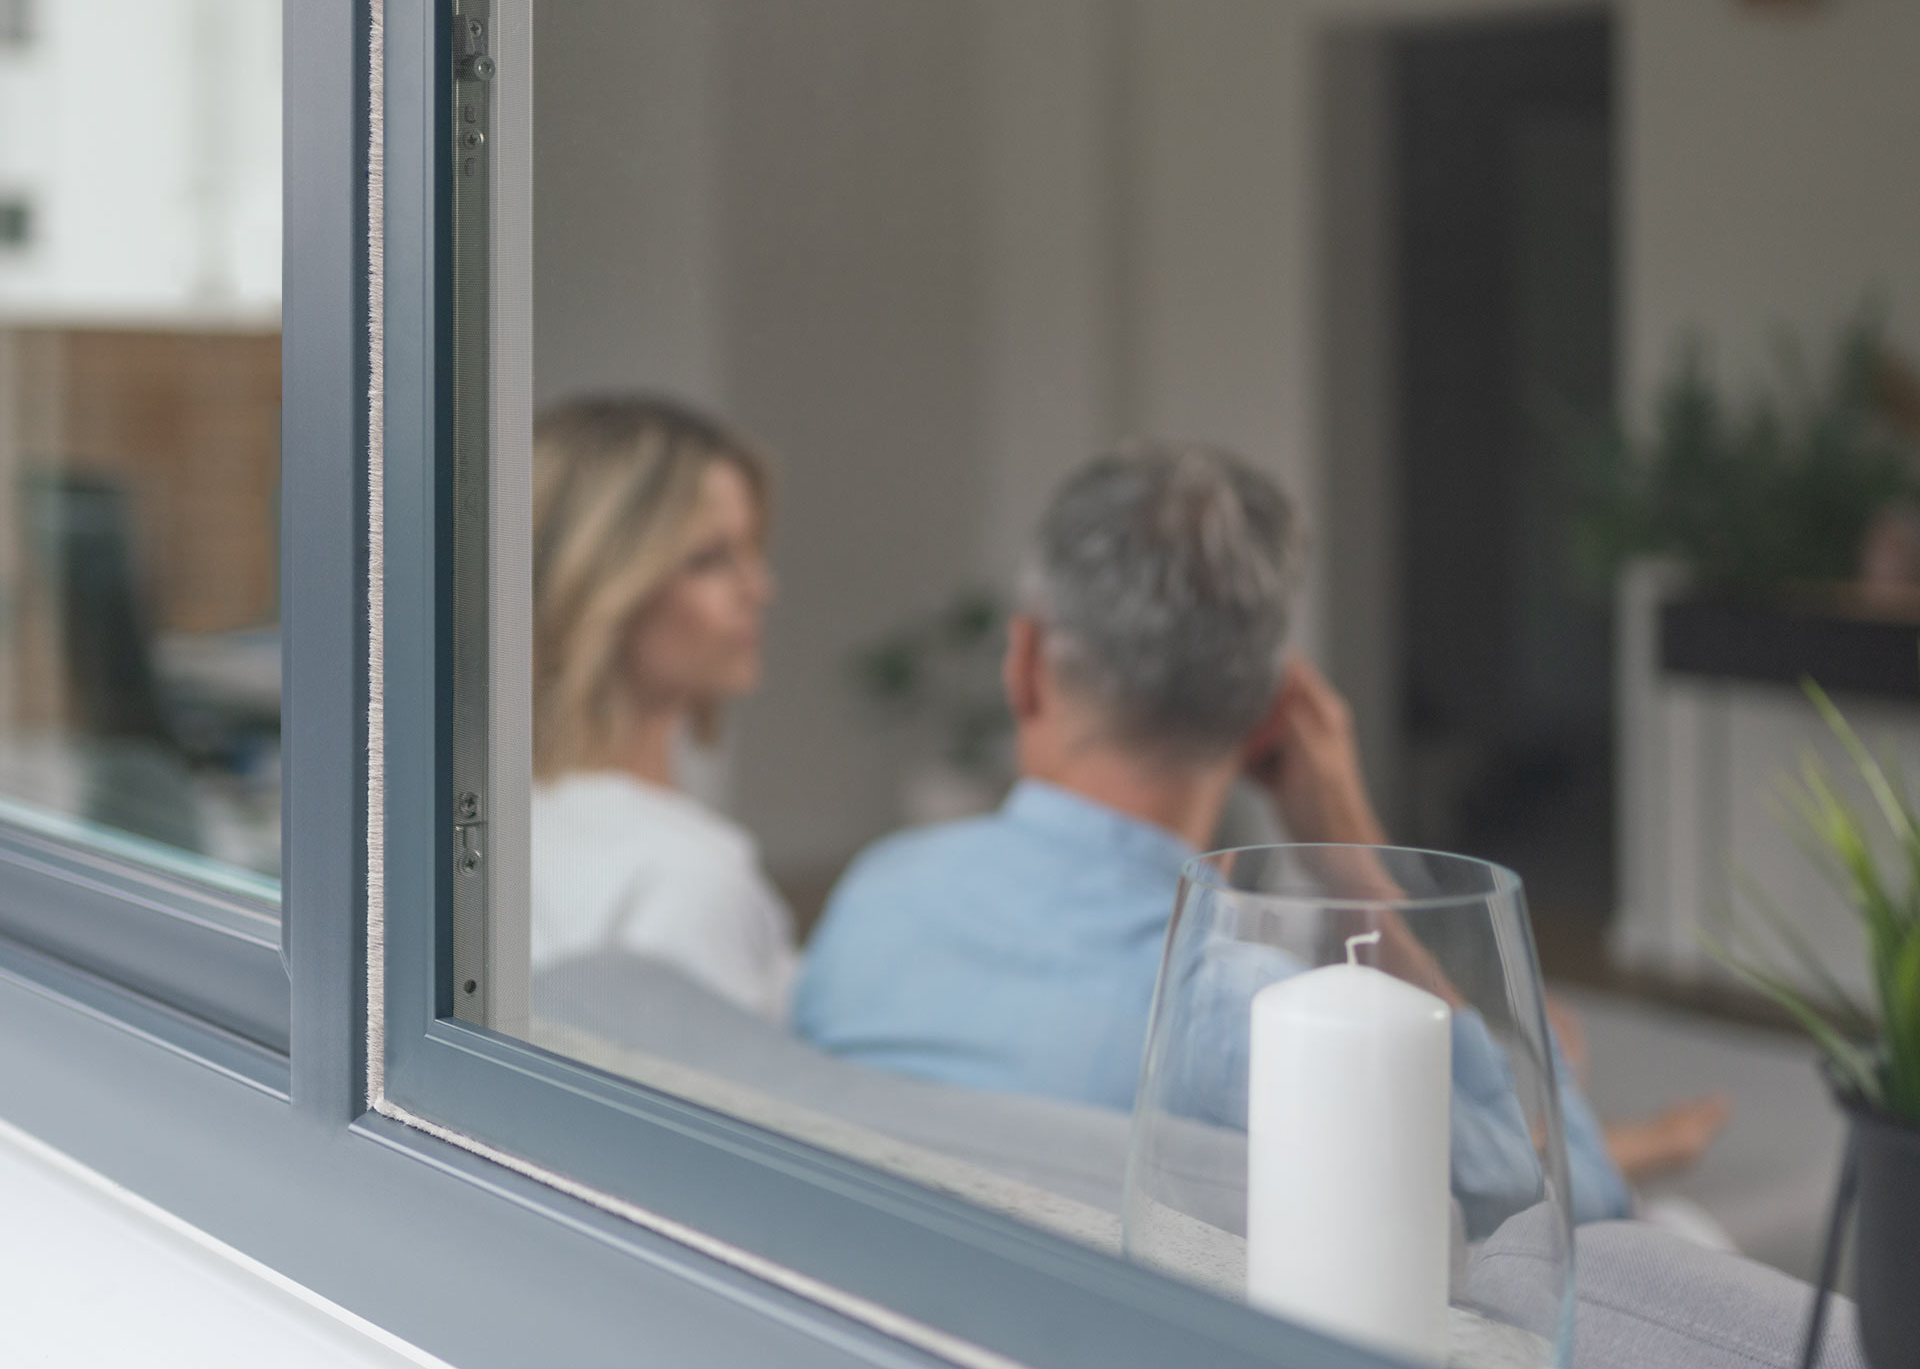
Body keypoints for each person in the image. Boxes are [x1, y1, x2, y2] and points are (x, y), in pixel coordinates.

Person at [795, 443, 1725, 1225]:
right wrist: (1355, 860)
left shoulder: (872, 900)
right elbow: (1582, 1207)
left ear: (1026, 664)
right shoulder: (1256, 1020)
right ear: (1273, 712)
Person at [530, 394, 796, 1017]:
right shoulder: (683, 875)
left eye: (753, 548)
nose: (760, 588)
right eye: (710, 560)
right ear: (599, 584)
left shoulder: (458, 826)